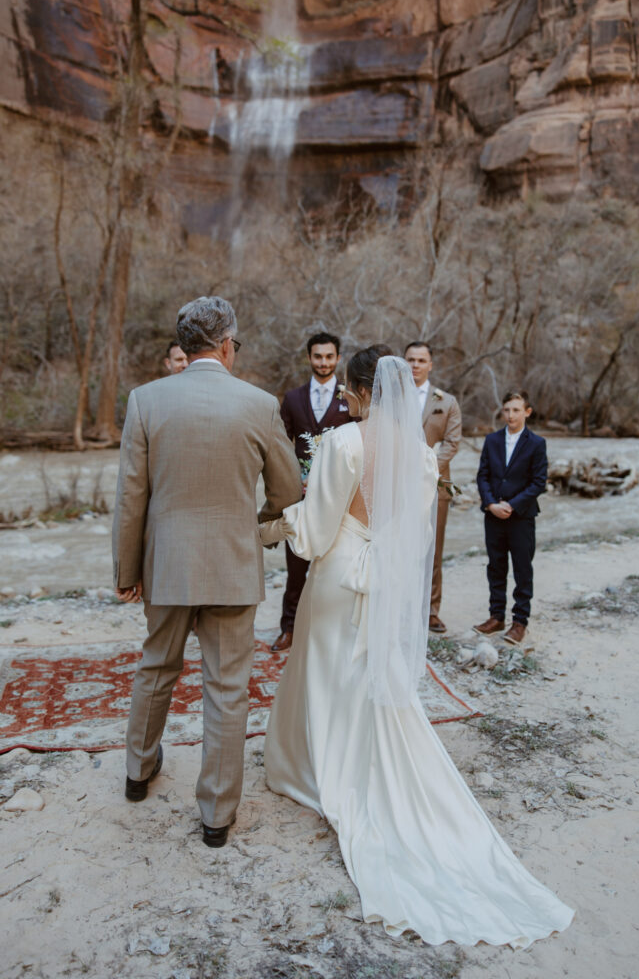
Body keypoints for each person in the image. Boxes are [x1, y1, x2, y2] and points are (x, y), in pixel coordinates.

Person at [259, 349, 573, 947]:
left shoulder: (344, 443)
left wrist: (275, 525)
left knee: (323, 673)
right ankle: (365, 764)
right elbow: (411, 525)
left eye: (350, 393)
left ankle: (316, 770)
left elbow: (319, 528)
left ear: (356, 392)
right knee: (365, 673)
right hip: (389, 579)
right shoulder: (424, 456)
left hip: (341, 573)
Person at [112, 296, 301, 848]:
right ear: (225, 345)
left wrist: (128, 569)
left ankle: (137, 774)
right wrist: (254, 524)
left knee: (155, 668)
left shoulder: (145, 401)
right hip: (231, 566)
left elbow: (131, 497)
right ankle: (216, 815)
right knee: (226, 690)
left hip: (166, 565)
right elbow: (288, 491)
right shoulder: (260, 405)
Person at [271, 331, 357, 652]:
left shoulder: (349, 399)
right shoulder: (292, 399)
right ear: (309, 358)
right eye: (317, 356)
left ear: (338, 358)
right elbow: (280, 447)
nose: (323, 362)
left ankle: (328, 630)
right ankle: (289, 627)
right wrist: (295, 480)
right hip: (302, 499)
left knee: (335, 564)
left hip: (340, 499)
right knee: (296, 564)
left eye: (329, 356)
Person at [474, 389, 547, 645]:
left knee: (522, 568)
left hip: (521, 516)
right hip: (493, 515)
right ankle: (496, 616)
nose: (510, 415)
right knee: (495, 566)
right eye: (507, 410)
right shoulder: (492, 440)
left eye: (516, 410)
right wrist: (491, 504)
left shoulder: (536, 444)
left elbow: (539, 482)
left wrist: (512, 505)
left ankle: (519, 622)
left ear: (527, 412)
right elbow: (482, 475)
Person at [404, 341, 461, 634]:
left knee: (432, 549)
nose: (415, 365)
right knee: (400, 547)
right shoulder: (394, 398)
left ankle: (431, 610)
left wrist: (426, 469)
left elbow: (452, 442)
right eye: (411, 360)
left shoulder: (446, 401)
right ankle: (400, 606)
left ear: (430, 364)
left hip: (435, 485)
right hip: (398, 484)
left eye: (421, 360)